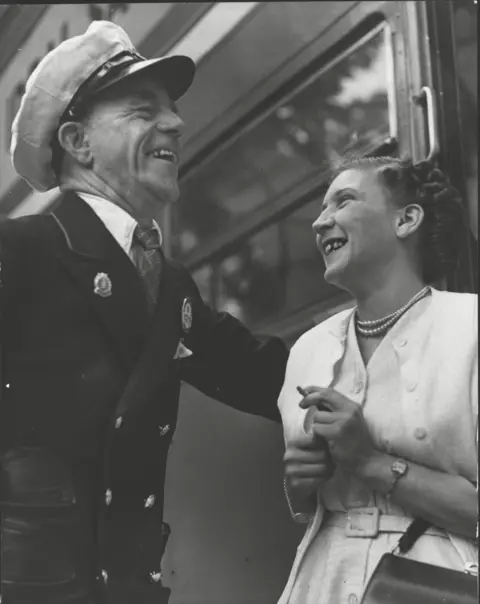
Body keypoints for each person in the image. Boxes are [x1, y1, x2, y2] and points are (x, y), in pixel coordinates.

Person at [0, 21, 289, 604]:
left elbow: (262, 376)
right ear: (79, 143)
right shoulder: (18, 251)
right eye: (141, 110)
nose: (176, 124)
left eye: (171, 112)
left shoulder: (170, 283)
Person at [278, 155, 478, 604]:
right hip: (321, 582)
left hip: (438, 584)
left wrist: (369, 461)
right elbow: (310, 509)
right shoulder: (307, 350)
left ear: (406, 220)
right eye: (321, 209)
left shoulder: (471, 326)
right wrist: (299, 486)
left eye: (342, 201)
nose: (318, 222)